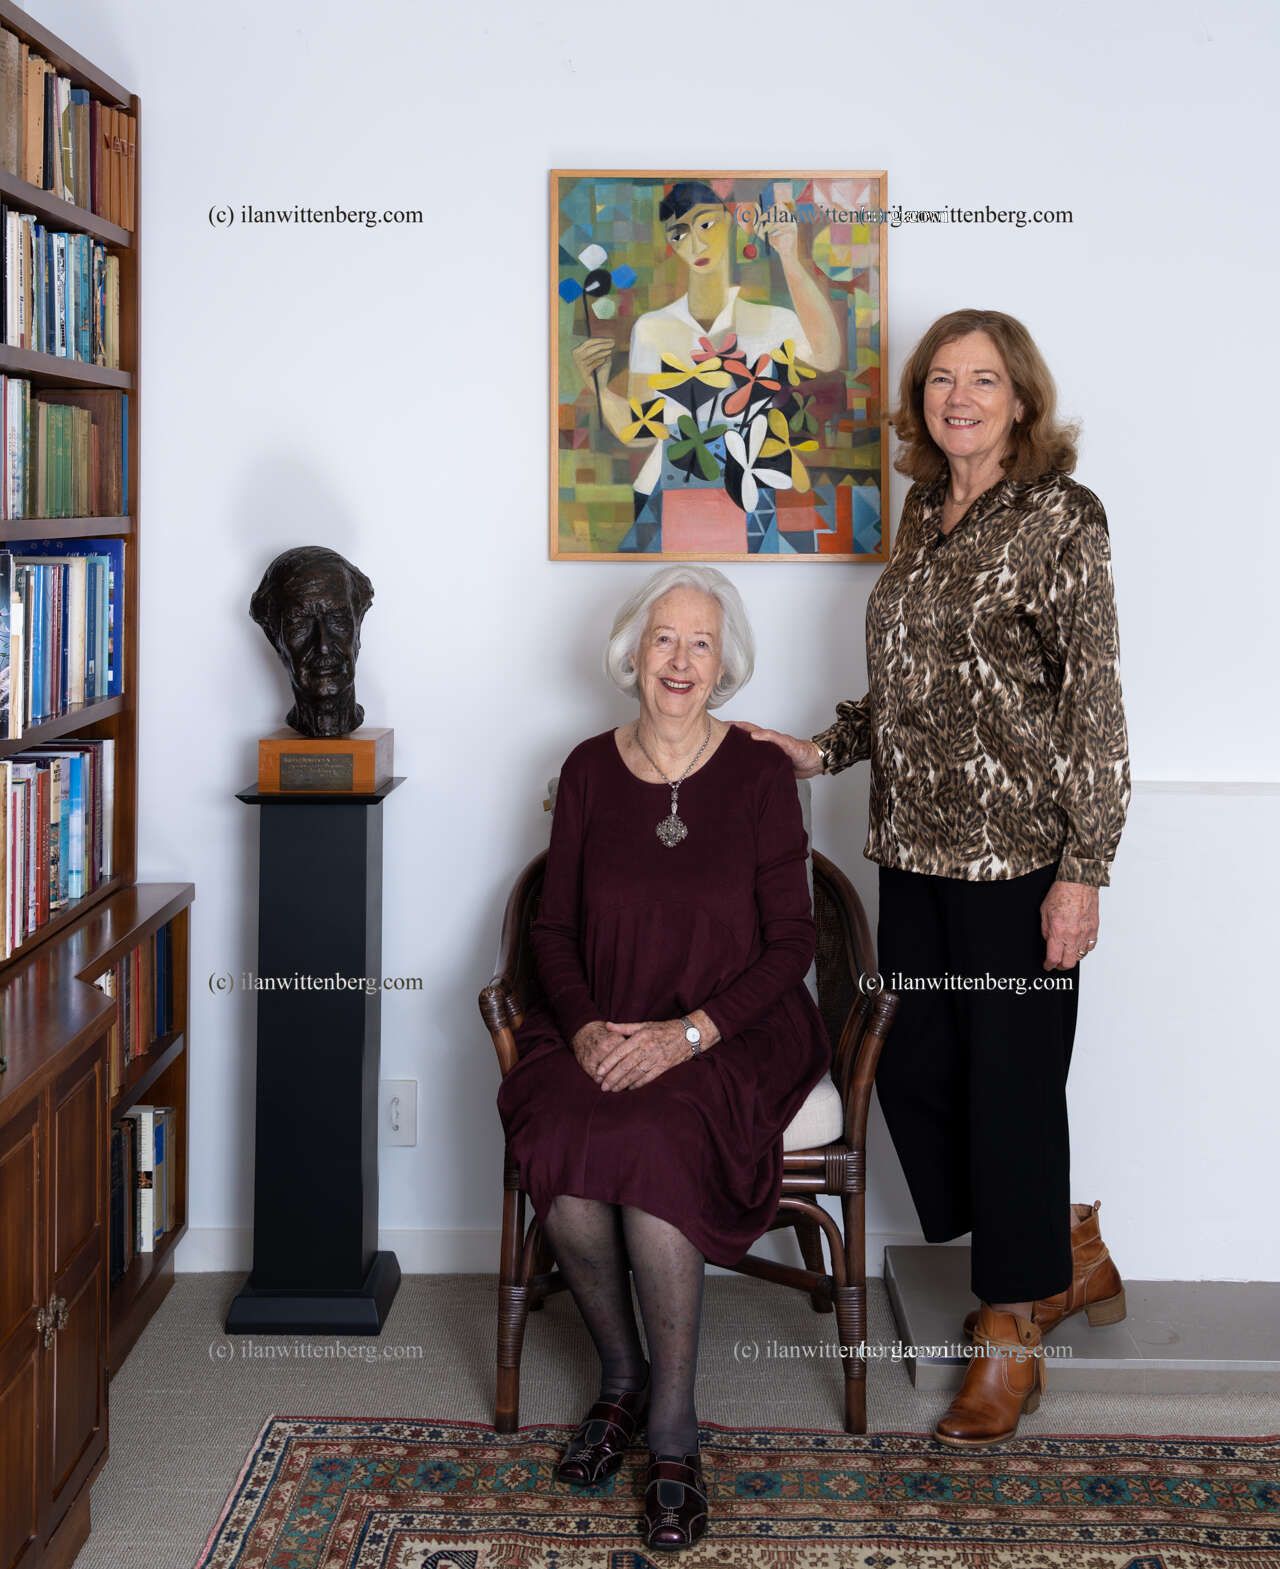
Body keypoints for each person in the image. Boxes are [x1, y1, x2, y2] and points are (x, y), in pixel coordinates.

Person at [739, 307, 1131, 1447]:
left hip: (1020, 863)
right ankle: (1058, 1245)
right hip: (909, 850)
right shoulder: (922, 511)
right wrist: (820, 749)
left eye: (983, 379)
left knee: (1011, 1087)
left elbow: (1094, 702)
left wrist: (1083, 872)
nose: (958, 398)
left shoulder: (1060, 515)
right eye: (940, 380)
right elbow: (909, 687)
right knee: (908, 1066)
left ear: (1021, 399)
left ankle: (1009, 1327)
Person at [495, 564, 830, 1548]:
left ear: (723, 665)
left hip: (735, 1029)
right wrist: (586, 1027)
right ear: (632, 654)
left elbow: (793, 943)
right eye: (663, 640)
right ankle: (622, 1376)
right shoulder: (587, 771)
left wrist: (690, 1033)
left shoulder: (758, 775)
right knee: (561, 1150)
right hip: (602, 1018)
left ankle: (674, 1432)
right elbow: (553, 930)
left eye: (700, 643)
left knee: (652, 1147)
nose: (680, 661)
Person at [573, 180, 842, 549]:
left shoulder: (772, 322)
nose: (696, 244)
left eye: (705, 224)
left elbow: (826, 356)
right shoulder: (652, 328)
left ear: (730, 221)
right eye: (679, 234)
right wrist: (598, 386)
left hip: (750, 487)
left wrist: (789, 258)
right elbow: (640, 429)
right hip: (666, 489)